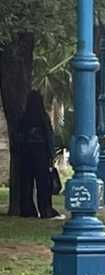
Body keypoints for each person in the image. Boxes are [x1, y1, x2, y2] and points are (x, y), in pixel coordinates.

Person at [13, 90, 61, 219]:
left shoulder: (24, 119)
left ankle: (28, 210)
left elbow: (18, 138)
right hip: (42, 156)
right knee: (43, 185)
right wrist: (51, 155)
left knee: (26, 184)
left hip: (26, 156)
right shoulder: (43, 118)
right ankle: (45, 210)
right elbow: (49, 137)